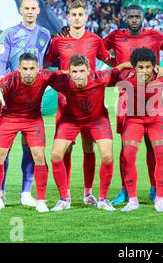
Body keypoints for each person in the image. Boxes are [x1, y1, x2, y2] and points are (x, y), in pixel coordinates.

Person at [103, 4, 163, 205]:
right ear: (125, 17)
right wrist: (117, 66)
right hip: (126, 98)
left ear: (142, 17)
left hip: (152, 97)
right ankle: (124, 189)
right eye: (130, 16)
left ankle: (155, 188)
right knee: (126, 148)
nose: (134, 19)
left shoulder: (154, 35)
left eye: (137, 16)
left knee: (152, 147)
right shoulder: (115, 36)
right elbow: (99, 50)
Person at [44, 0, 115, 206]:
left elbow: (110, 61)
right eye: (73, 14)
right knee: (64, 150)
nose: (76, 17)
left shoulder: (94, 39)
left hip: (92, 102)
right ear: (68, 16)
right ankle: (64, 196)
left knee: (88, 148)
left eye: (80, 14)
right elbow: (45, 64)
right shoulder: (58, 40)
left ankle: (88, 194)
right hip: (66, 103)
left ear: (86, 17)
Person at [48, 55, 132, 212]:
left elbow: (119, 68)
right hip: (71, 120)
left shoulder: (101, 78)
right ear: (69, 72)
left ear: (88, 71)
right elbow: (41, 75)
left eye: (81, 71)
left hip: (97, 119)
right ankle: (64, 199)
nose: (78, 75)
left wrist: (132, 63)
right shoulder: (63, 81)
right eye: (74, 72)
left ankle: (102, 199)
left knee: (107, 155)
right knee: (56, 155)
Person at [0, 0, 52, 207]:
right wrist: (1, 83)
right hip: (10, 95)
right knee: (4, 147)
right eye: (26, 8)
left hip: (32, 98)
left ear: (38, 11)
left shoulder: (45, 34)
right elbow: (1, 62)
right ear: (20, 10)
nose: (29, 11)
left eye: (33, 8)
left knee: (30, 146)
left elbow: (45, 61)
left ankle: (26, 192)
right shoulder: (9, 34)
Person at [0, 53, 54, 213]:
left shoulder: (45, 76)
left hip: (33, 119)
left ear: (38, 68)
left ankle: (41, 201)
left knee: (39, 155)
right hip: (9, 118)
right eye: (25, 69)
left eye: (32, 68)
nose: (28, 72)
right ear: (18, 69)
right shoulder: (6, 81)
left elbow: (65, 77)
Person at [117, 48, 163, 212]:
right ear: (134, 67)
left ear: (154, 67)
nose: (144, 71)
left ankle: (160, 199)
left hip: (157, 118)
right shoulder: (125, 77)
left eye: (148, 67)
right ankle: (133, 200)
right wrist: (122, 65)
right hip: (134, 119)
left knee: (161, 154)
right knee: (128, 155)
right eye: (140, 67)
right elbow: (106, 76)